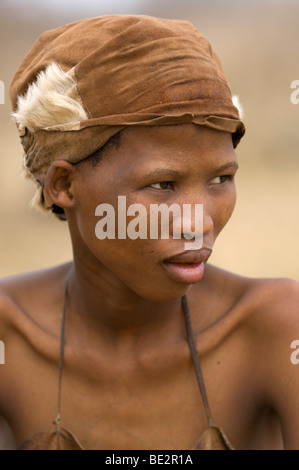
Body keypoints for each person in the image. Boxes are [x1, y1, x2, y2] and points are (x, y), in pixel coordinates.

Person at [0, 14, 298, 451]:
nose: (199, 223)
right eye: (163, 185)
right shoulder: (10, 337)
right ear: (64, 185)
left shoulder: (275, 329)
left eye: (220, 179)